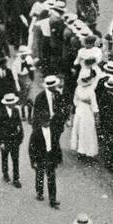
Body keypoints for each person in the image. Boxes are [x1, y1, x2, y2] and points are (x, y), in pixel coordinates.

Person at [30, 75, 65, 207]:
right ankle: (39, 192)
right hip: (40, 153)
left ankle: (52, 198)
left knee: (51, 176)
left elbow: (62, 108)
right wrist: (32, 160)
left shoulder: (58, 94)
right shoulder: (40, 97)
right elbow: (32, 146)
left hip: (55, 127)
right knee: (40, 174)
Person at [0, 91, 24, 187]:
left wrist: (20, 137)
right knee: (5, 157)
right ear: (7, 103)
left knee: (15, 159)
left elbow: (19, 124)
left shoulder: (16, 111)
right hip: (5, 139)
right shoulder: (0, 112)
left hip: (14, 139)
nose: (13, 104)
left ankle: (16, 179)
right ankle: (5, 173)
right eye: (11, 103)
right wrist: (0, 141)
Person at [70, 72, 100, 158]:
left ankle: (80, 150)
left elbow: (75, 101)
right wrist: (96, 115)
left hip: (79, 110)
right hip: (87, 111)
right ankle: (87, 151)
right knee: (88, 131)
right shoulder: (91, 91)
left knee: (79, 130)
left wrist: (80, 104)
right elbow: (94, 106)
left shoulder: (78, 88)